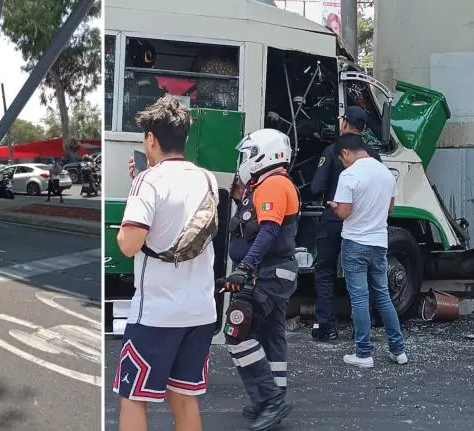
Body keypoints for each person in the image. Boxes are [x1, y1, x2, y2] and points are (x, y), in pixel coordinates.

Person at [114, 95, 218, 431]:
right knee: (184, 398)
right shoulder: (207, 179)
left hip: (157, 313)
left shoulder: (150, 181)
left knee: (133, 397)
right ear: (184, 138)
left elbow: (130, 246)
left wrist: (138, 189)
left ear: (150, 139)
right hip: (201, 312)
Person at [218, 129, 299, 430]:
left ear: (264, 153)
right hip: (272, 272)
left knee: (237, 330)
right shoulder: (267, 184)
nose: (244, 161)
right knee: (270, 335)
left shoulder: (274, 184)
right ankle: (273, 396)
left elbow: (268, 231)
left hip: (268, 273)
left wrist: (245, 267)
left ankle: (270, 399)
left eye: (247, 154)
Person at [329, 136, 408, 368]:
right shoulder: (385, 172)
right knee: (383, 296)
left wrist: (335, 207)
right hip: (379, 243)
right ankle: (398, 350)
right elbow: (390, 208)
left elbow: (344, 213)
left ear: (345, 153)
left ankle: (363, 353)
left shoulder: (349, 175)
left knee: (360, 299)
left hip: (355, 243)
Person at [309, 106, 381, 341]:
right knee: (361, 273)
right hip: (362, 221)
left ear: (344, 124)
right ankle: (363, 324)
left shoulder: (332, 151)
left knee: (325, 270)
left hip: (333, 218)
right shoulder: (373, 155)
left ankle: (326, 325)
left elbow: (316, 188)